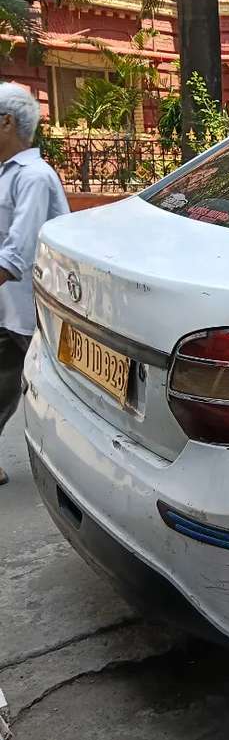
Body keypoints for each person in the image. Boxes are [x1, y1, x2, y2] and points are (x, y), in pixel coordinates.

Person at [0, 83, 69, 485]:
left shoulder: (35, 177)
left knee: (59, 392)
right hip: (11, 308)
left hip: (40, 308)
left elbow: (16, 253)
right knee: (4, 384)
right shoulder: (8, 174)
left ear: (7, 122)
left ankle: (78, 470)